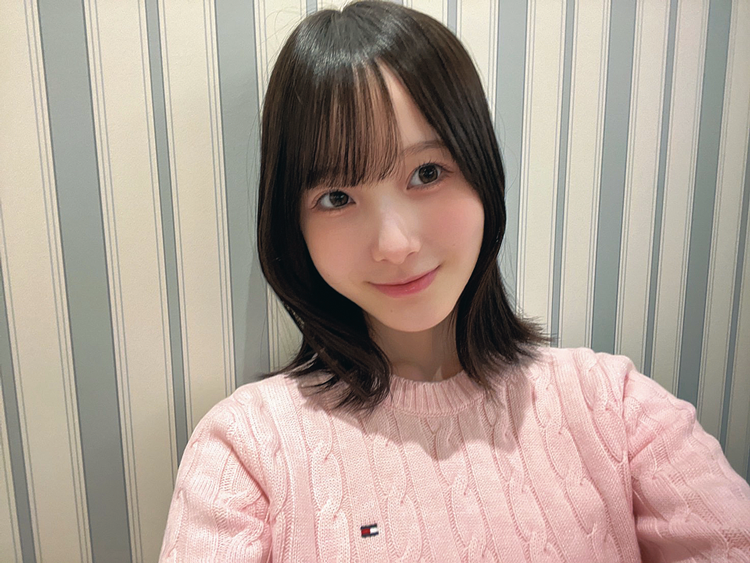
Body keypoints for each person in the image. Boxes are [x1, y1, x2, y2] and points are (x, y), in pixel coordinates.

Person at [159, 1, 750, 561]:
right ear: (293, 224)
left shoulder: (615, 408)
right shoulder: (247, 450)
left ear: (482, 171)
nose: (395, 244)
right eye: (337, 196)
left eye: (427, 172)